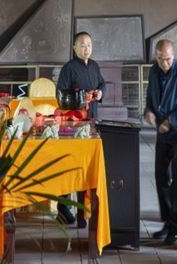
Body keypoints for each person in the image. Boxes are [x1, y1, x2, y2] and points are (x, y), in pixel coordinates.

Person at [144, 38, 177, 244]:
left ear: (173, 56)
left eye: (167, 59)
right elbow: (150, 97)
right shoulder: (154, 71)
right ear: (156, 56)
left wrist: (170, 121)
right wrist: (148, 112)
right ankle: (166, 221)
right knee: (160, 177)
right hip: (162, 132)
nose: (164, 64)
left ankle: (175, 226)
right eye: (160, 59)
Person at [55, 32, 105, 225]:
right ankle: (63, 207)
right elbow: (61, 95)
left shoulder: (94, 65)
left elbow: (101, 84)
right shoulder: (69, 68)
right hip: (73, 123)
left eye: (89, 45)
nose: (86, 49)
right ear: (74, 47)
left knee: (86, 166)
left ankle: (83, 211)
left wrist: (100, 93)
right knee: (69, 166)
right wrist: (81, 97)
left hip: (91, 120)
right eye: (82, 45)